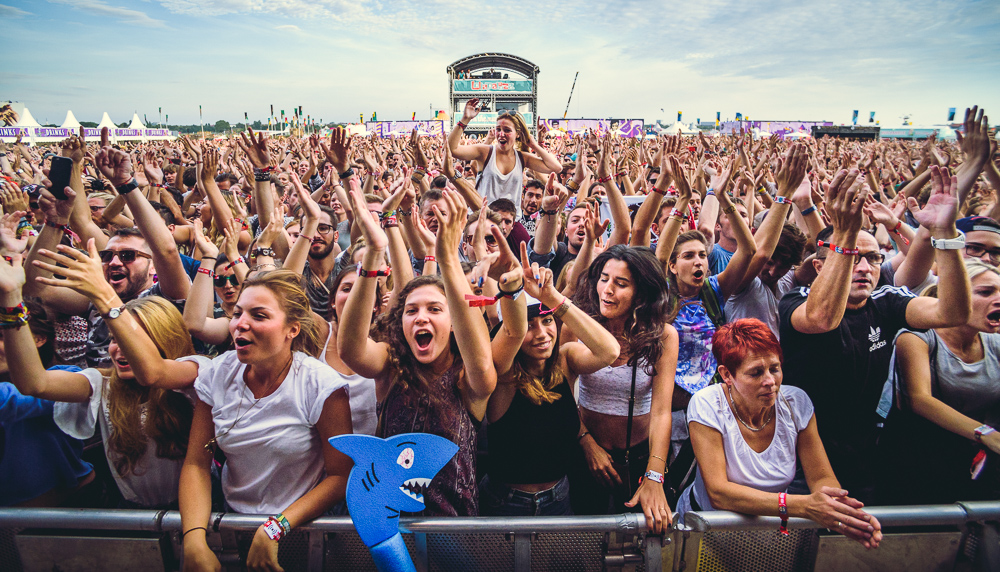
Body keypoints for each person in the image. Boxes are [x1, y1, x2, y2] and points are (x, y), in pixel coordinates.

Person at [779, 167, 971, 503]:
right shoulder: (796, 300)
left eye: (873, 258)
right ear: (821, 266)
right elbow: (822, 318)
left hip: (863, 454)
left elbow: (952, 313)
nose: (866, 268)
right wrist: (844, 235)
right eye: (854, 257)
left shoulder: (887, 301)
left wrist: (946, 234)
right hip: (797, 457)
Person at [338, 188, 497, 516]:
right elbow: (352, 350)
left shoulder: (468, 379)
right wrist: (373, 254)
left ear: (453, 322)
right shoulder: (391, 366)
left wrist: (448, 259)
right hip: (389, 529)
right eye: (412, 311)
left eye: (435, 309)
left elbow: (480, 359)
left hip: (455, 531)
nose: (421, 317)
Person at [2, 244, 196, 509]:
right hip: (132, 512)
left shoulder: (195, 374)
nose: (119, 348)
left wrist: (103, 294)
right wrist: (12, 298)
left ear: (167, 339)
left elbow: (153, 374)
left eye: (131, 340)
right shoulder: (101, 384)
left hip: (197, 510)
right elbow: (35, 384)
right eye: (114, 339)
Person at [679, 319, 882, 549]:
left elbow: (821, 478)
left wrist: (844, 515)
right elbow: (719, 493)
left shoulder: (795, 403)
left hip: (767, 535)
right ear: (727, 375)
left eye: (774, 369)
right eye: (756, 373)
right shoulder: (707, 404)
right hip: (707, 533)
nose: (770, 382)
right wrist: (802, 506)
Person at [482, 246, 620, 517]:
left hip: (560, 497)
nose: (542, 333)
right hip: (508, 504)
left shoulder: (564, 361)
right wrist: (511, 286)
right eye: (529, 325)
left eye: (547, 322)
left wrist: (552, 297)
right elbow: (512, 330)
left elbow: (609, 351)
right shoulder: (504, 375)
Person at [571, 245, 677, 533]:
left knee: (639, 541)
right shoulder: (579, 326)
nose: (607, 290)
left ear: (641, 293)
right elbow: (564, 397)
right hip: (585, 451)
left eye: (621, 284)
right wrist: (586, 442)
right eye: (604, 279)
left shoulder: (663, 336)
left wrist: (654, 477)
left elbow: (661, 413)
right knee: (584, 540)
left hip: (639, 456)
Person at [877, 259, 1000, 504]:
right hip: (913, 458)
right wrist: (984, 433)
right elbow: (919, 400)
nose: (997, 299)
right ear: (955, 297)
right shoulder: (917, 335)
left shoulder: (994, 341)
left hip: (970, 456)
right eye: (985, 292)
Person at [449, 99, 561, 217]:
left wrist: (534, 145)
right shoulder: (485, 152)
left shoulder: (522, 158)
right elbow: (452, 149)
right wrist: (465, 119)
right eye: (498, 129)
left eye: (507, 130)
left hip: (511, 221)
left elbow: (556, 168)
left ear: (517, 134)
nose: (501, 134)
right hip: (483, 218)